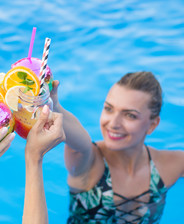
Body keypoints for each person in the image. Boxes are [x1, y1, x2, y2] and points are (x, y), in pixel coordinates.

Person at [22, 72, 184, 223]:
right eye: (108, 109)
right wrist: (54, 106)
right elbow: (81, 143)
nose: (113, 123)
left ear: (152, 125)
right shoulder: (89, 163)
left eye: (130, 115)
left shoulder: (173, 165)